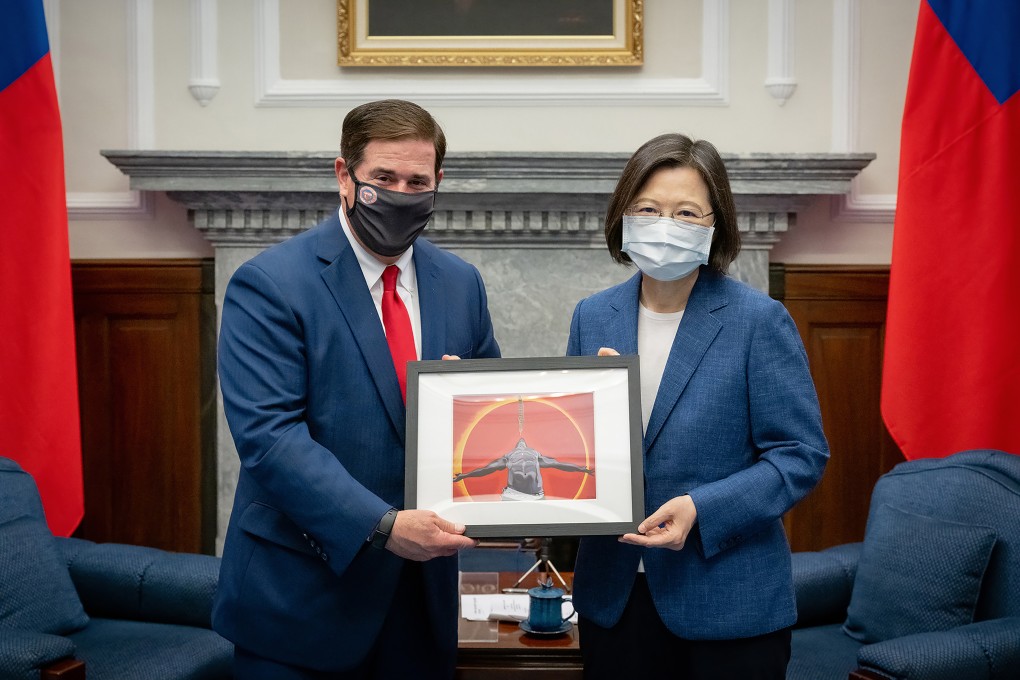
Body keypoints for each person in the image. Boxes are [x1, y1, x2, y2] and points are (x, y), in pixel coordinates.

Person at [213, 99, 501, 679]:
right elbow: (271, 440)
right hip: (303, 601)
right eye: (383, 178)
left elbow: (490, 419)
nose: (401, 193)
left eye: (417, 181)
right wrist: (383, 527)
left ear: (438, 183)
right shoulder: (270, 284)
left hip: (422, 606)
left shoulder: (460, 283)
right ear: (344, 175)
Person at [566, 133, 829, 680]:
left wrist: (701, 509)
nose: (665, 225)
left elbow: (800, 455)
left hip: (728, 607)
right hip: (614, 599)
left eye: (686, 212)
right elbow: (575, 444)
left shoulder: (758, 321)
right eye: (648, 209)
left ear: (715, 226)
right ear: (623, 216)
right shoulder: (592, 316)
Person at [453, 436, 594, 500]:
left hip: (536, 496)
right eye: (519, 441)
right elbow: (485, 470)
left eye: (523, 441)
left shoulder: (536, 456)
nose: (521, 440)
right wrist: (464, 476)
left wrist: (582, 469)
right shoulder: (508, 458)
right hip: (512, 495)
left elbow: (559, 465)